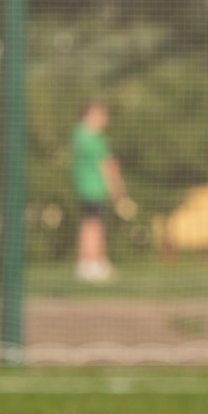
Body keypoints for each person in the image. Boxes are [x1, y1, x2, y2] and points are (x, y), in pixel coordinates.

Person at [72, 100, 126, 283]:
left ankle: (93, 262)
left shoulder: (78, 134)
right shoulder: (93, 137)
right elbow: (107, 166)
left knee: (91, 223)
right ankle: (92, 263)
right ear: (89, 115)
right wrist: (117, 191)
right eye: (100, 113)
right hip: (94, 187)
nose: (104, 118)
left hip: (84, 187)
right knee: (94, 225)